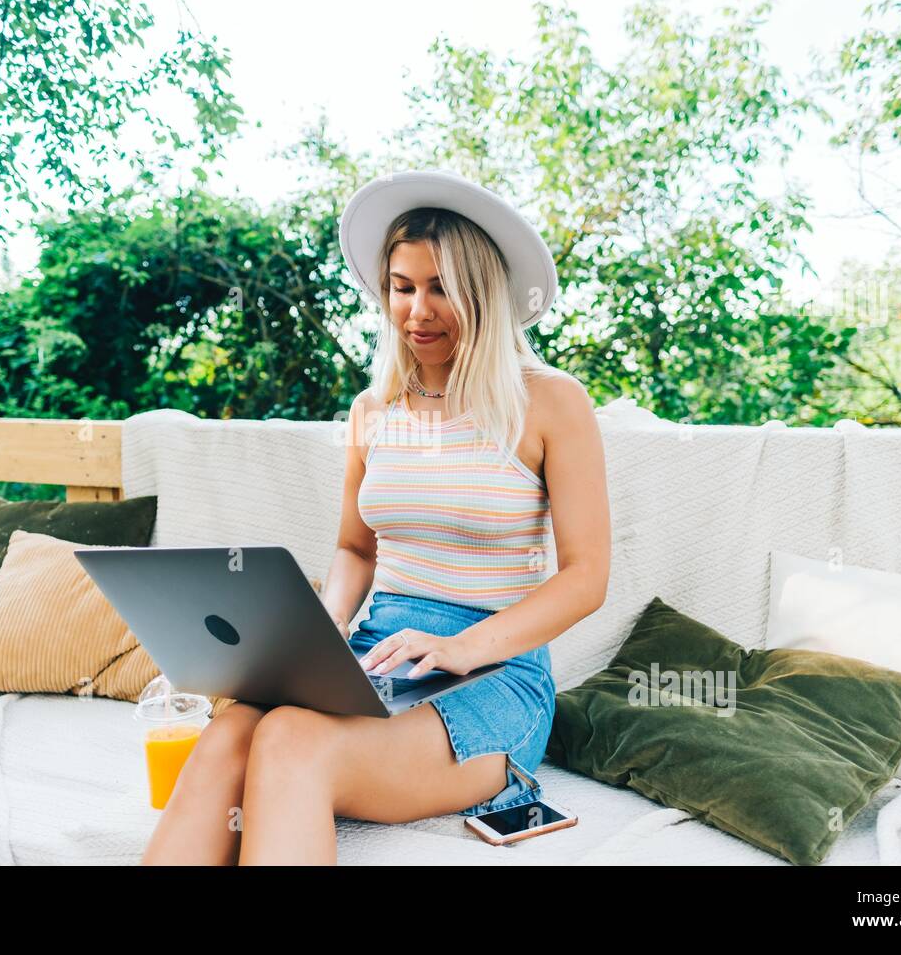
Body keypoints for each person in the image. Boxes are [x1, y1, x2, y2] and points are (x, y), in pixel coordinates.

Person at [141, 169, 611, 865]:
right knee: (230, 733)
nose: (417, 310)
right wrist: (326, 623)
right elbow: (355, 550)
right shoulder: (373, 409)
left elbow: (586, 577)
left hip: (495, 673)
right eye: (401, 286)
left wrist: (463, 647)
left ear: (482, 291)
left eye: (441, 287)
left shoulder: (550, 401)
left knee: (289, 739)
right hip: (376, 656)